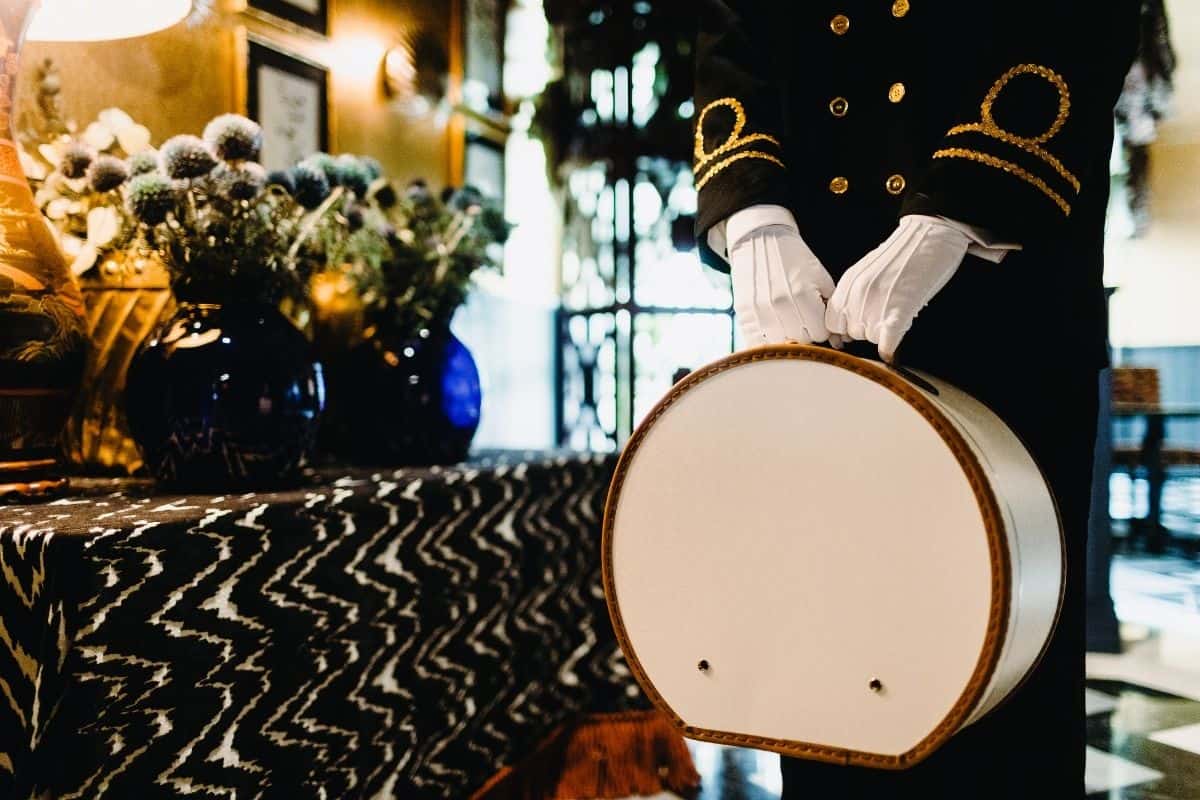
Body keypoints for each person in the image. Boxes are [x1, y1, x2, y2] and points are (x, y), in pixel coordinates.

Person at [692, 1, 1140, 797]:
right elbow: (732, 33)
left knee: (1001, 685)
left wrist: (959, 208)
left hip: (1007, 295)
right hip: (816, 297)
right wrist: (753, 213)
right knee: (828, 665)